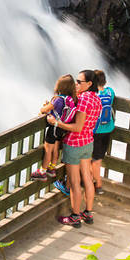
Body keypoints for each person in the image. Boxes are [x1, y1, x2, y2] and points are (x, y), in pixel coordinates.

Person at [46, 69, 101, 228]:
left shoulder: (83, 100)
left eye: (79, 82)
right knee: (88, 179)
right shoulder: (96, 99)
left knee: (75, 182)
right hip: (88, 142)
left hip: (75, 144)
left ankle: (75, 216)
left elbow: (77, 127)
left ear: (89, 84)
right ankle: (88, 213)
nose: (75, 84)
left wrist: (55, 123)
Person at [31, 75, 76, 179]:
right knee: (55, 148)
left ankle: (42, 171)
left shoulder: (58, 100)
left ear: (60, 87)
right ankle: (52, 169)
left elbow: (44, 110)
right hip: (62, 128)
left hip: (54, 127)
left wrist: (45, 105)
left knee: (48, 150)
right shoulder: (70, 99)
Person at [91, 69, 115, 195]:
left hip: (96, 131)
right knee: (98, 157)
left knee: (94, 159)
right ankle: (92, 180)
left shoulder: (94, 96)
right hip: (108, 129)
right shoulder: (110, 92)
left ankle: (98, 184)